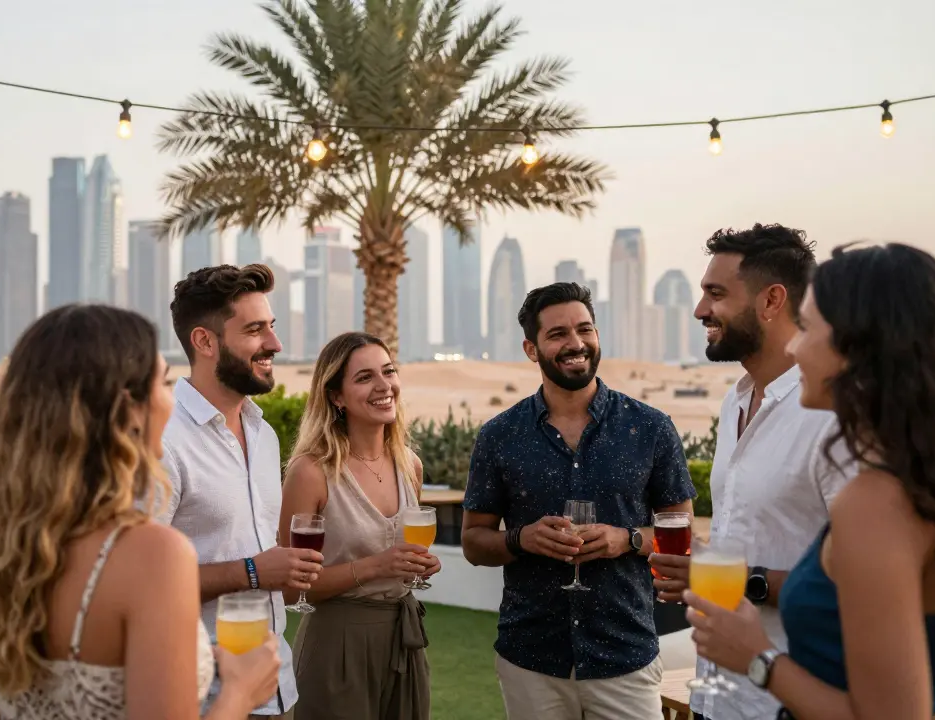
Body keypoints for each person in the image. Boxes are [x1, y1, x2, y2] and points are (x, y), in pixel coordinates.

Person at [685, 243, 935, 720]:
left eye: (809, 327)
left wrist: (758, 658)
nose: (797, 346)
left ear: (858, 350)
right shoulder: (929, 478)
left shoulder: (875, 502)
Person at [0, 304, 280, 719]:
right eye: (164, 382)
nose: (169, 401)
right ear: (128, 410)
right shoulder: (154, 555)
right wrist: (242, 692)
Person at [461, 282, 697, 720]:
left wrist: (624, 540)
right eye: (558, 335)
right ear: (532, 349)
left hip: (625, 656)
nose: (576, 344)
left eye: (584, 329)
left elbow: (681, 536)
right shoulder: (499, 436)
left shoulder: (651, 428)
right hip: (531, 659)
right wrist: (521, 539)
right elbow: (474, 543)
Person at [649, 224, 855, 720]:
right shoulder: (733, 400)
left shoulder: (833, 417)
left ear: (771, 301)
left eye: (715, 294)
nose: (700, 310)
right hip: (717, 696)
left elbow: (862, 580)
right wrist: (705, 570)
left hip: (792, 700)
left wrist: (745, 581)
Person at [161, 264, 325, 719]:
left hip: (277, 692)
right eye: (255, 330)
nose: (274, 343)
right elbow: (138, 583)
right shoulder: (163, 443)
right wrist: (253, 571)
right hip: (200, 699)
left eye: (270, 327)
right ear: (205, 341)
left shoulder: (264, 433)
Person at [280, 331, 442, 720]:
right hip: (337, 643)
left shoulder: (410, 465)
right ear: (336, 396)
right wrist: (376, 566)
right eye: (365, 377)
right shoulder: (311, 472)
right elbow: (288, 589)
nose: (384, 386)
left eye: (388, 371)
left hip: (404, 639)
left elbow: (400, 556)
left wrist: (419, 564)